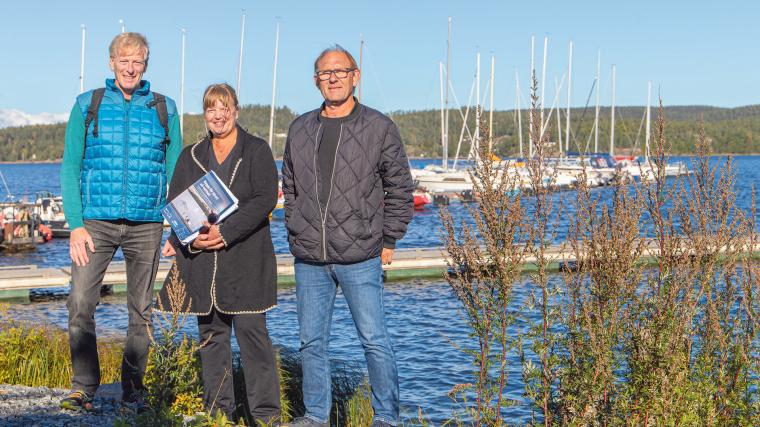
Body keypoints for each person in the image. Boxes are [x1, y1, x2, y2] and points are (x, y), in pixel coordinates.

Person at [281, 45, 414, 427]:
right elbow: (289, 184)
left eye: (341, 71)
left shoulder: (378, 127)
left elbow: (399, 188)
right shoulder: (300, 128)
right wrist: (295, 223)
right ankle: (316, 415)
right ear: (316, 81)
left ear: (356, 76)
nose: (334, 78)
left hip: (361, 255)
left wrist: (389, 240)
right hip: (310, 257)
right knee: (311, 343)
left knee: (374, 339)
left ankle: (386, 417)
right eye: (326, 73)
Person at [59, 32, 182, 412]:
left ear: (146, 65)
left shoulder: (165, 108)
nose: (130, 67)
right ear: (111, 62)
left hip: (147, 224)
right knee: (80, 302)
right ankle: (84, 385)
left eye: (138, 61)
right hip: (94, 223)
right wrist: (75, 223)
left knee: (141, 311)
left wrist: (176, 227)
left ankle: (134, 391)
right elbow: (69, 166)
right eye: (123, 60)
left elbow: (177, 171)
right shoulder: (88, 104)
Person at [158, 83, 281, 424]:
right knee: (212, 342)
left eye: (225, 107)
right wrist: (185, 238)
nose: (219, 115)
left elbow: (265, 199)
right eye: (212, 108)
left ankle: (266, 418)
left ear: (236, 111)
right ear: (205, 114)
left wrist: (225, 233)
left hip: (246, 263)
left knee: (254, 342)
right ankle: (219, 416)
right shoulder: (191, 155)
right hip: (203, 266)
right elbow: (179, 204)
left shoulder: (256, 150)